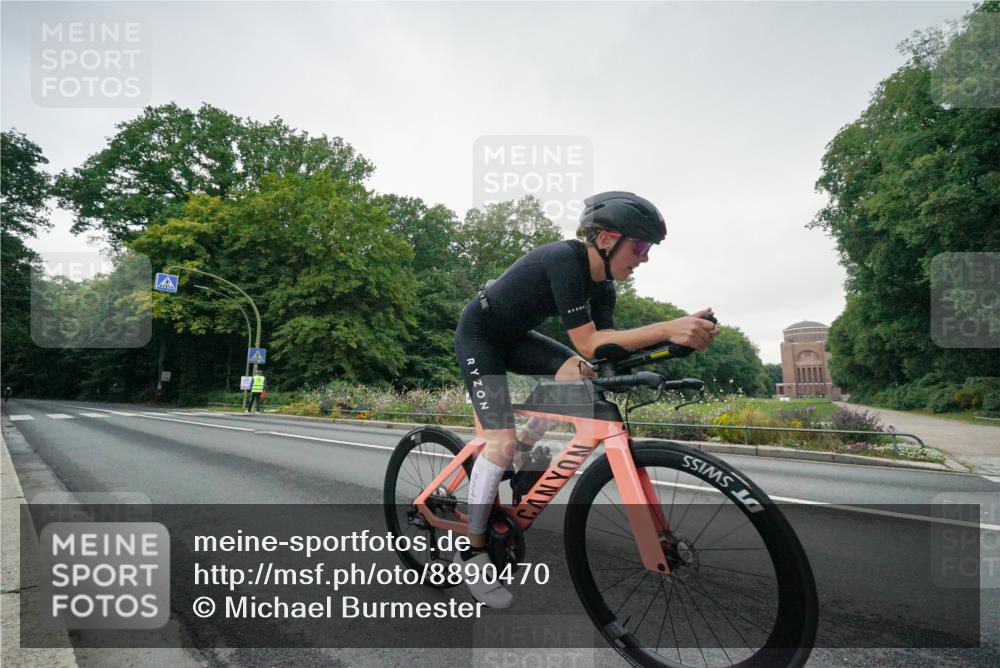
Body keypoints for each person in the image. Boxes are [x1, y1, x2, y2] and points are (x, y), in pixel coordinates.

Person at [452, 191, 720, 608]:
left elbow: (606, 351)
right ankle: (472, 549)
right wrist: (668, 326)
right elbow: (590, 340)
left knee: (583, 374)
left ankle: (525, 451)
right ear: (608, 239)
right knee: (497, 442)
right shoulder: (564, 259)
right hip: (480, 335)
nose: (645, 258)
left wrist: (674, 345)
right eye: (641, 246)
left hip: (516, 338)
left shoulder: (604, 288)